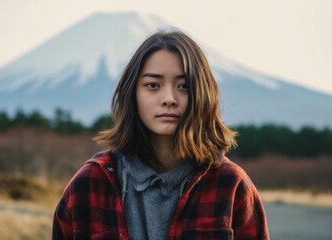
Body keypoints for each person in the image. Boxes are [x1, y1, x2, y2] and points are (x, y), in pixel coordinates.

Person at [52, 30, 270, 240]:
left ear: (202, 94)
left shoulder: (231, 185)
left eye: (184, 86)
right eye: (153, 85)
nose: (169, 98)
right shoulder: (90, 184)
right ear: (133, 94)